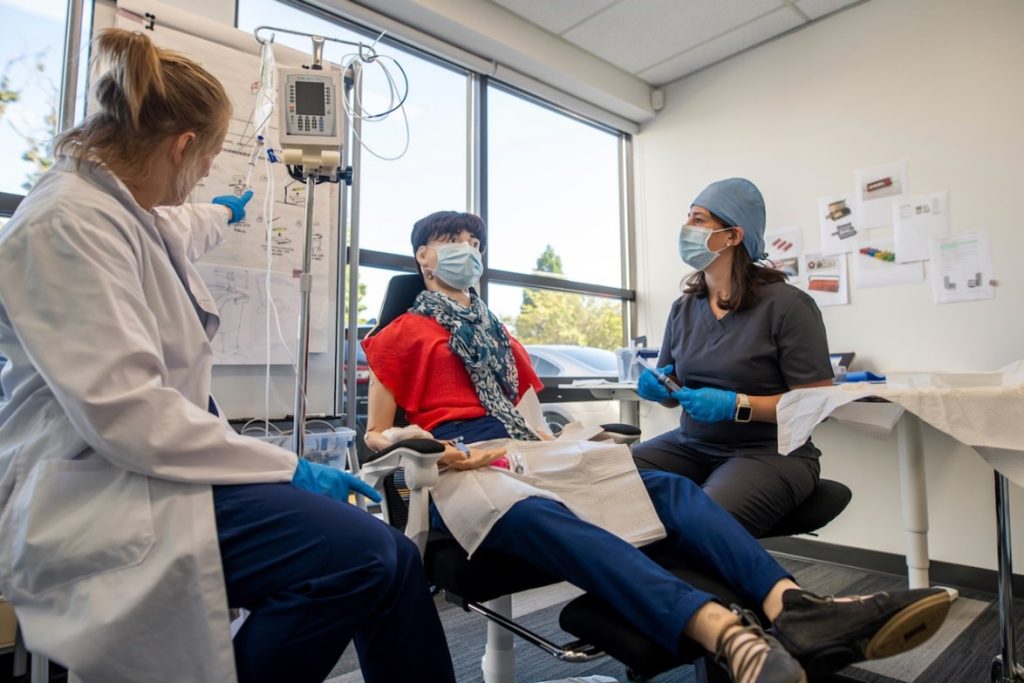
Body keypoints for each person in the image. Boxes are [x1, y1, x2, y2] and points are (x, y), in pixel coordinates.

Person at [0, 29, 454, 683]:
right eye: (208, 157)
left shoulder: (126, 211)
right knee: (365, 558)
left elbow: (188, 222)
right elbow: (129, 414)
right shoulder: (65, 224)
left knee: (395, 560)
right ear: (182, 145)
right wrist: (284, 467)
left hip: (150, 467)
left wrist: (225, 210)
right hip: (101, 486)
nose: (207, 171)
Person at [361, 210, 951, 683]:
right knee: (540, 511)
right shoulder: (397, 335)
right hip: (454, 458)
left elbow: (529, 418)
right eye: (451, 240)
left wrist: (561, 449)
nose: (466, 247)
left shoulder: (498, 332)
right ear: (423, 257)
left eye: (473, 239)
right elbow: (376, 433)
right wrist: (420, 441)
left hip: (520, 448)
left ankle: (795, 607)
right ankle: (725, 634)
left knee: (660, 487)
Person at [632, 177, 835, 537]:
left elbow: (814, 402)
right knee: (606, 483)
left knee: (700, 528)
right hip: (690, 445)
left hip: (768, 452)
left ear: (733, 235)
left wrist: (738, 405)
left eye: (698, 220)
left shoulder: (788, 305)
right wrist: (660, 389)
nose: (686, 229)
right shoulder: (684, 308)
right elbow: (672, 385)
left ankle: (746, 593)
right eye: (687, 219)